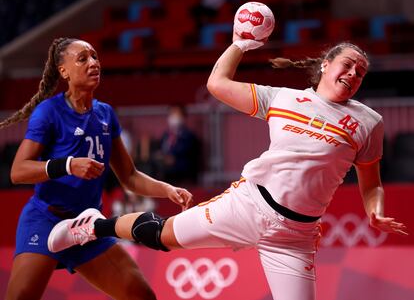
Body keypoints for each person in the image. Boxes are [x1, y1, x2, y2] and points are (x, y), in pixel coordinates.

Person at [47, 34, 408, 300]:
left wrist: (373, 209)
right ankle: (94, 226)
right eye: (348, 65)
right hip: (248, 205)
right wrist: (240, 43)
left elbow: (371, 182)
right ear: (326, 65)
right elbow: (217, 84)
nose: (353, 73)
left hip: (295, 237)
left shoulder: (368, 122)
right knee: (161, 236)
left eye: (360, 72)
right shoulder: (282, 98)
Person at [0, 37, 193, 300]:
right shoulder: (49, 112)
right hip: (46, 219)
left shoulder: (105, 114)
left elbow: (130, 176)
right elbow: (18, 171)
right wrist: (68, 165)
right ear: (63, 71)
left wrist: (167, 189)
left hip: (86, 227)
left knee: (142, 296)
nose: (93, 63)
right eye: (82, 59)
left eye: (95, 57)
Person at [154, 104, 200, 185]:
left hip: (182, 176)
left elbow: (189, 156)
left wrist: (173, 160)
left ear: (183, 116)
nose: (173, 117)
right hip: (166, 175)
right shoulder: (166, 135)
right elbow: (161, 150)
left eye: (176, 114)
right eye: (171, 114)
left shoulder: (189, 136)